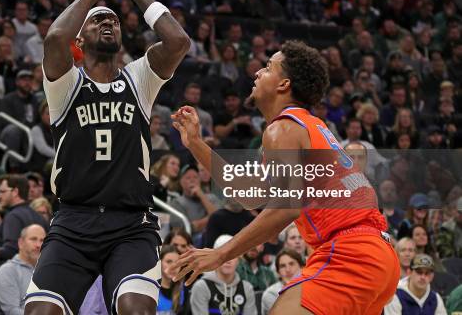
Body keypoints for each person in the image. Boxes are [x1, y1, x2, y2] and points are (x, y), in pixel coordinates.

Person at [171, 40, 399, 314]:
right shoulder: (309, 126)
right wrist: (196, 143)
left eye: (268, 68)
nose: (257, 73)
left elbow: (284, 207)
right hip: (379, 255)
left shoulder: (283, 129)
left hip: (350, 253)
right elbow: (251, 196)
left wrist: (221, 253)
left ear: (283, 84)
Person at [25, 0, 190, 315]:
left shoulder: (139, 79)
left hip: (131, 224)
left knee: (136, 310)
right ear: (80, 39)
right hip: (73, 221)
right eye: (98, 19)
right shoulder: (66, 83)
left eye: (113, 20)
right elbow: (54, 38)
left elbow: (178, 40)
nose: (108, 22)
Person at [0, 175, 47, 260]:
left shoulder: (13, 216)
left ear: (15, 192)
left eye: (2, 191)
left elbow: (9, 251)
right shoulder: (40, 217)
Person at [189, 234, 257, 315]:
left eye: (232, 256)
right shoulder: (201, 287)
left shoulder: (247, 289)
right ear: (214, 259)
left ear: (238, 259)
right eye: (223, 256)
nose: (228, 260)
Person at [0, 224, 46, 315]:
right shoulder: (7, 271)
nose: (38, 245)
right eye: (33, 239)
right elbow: (11, 311)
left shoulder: (47, 271)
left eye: (42, 240)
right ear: (21, 243)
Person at [262, 249, 305, 315]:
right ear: (278, 272)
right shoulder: (271, 294)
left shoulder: (311, 288)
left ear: (302, 267)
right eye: (283, 266)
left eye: (291, 264)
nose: (288, 270)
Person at [156, 245, 190, 315]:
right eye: (169, 262)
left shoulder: (184, 291)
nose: (174, 266)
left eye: (177, 262)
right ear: (160, 263)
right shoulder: (150, 288)